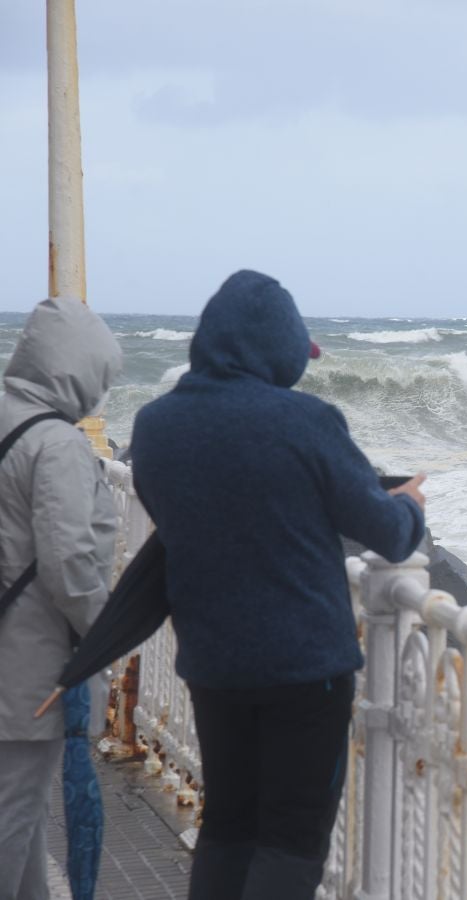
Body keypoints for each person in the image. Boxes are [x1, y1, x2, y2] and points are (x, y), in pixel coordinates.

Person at [129, 270, 426, 899]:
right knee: (290, 843)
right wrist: (410, 504)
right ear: (280, 349)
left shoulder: (156, 426)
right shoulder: (307, 421)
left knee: (229, 828)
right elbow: (388, 535)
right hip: (304, 670)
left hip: (213, 661)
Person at [0, 297, 122, 900]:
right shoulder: (58, 445)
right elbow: (70, 560)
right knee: (14, 811)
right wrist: (108, 632)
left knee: (18, 815)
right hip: (29, 664)